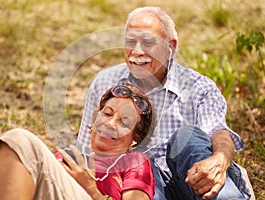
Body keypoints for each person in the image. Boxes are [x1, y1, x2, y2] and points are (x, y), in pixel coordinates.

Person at [76, 6, 252, 200]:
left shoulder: (198, 87)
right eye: (131, 41)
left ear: (171, 48)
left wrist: (220, 159)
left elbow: (218, 132)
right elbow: (87, 146)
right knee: (140, 159)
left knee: (187, 136)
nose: (137, 51)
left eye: (148, 42)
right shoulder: (105, 81)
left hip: (194, 181)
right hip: (140, 186)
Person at [0, 84, 156, 200]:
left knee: (20, 140)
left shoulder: (135, 163)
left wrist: (92, 190)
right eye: (107, 113)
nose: (110, 124)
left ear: (135, 140)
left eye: (124, 123)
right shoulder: (69, 157)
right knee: (15, 144)